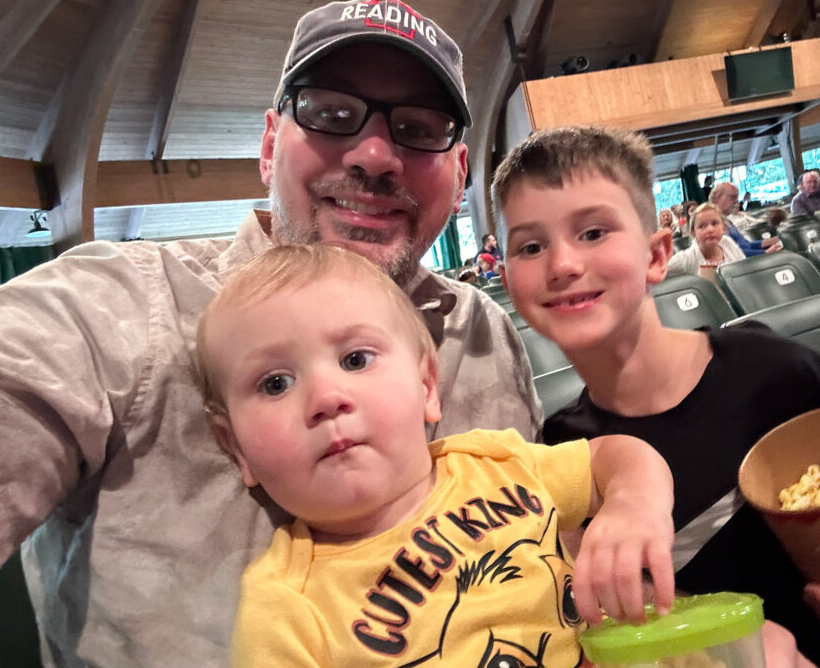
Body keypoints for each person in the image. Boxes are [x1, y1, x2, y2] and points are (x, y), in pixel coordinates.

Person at [0, 0, 543, 667]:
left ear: (458, 177)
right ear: (269, 144)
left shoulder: (479, 330)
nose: (374, 154)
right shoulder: (114, 313)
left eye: (420, 128)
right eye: (332, 115)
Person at [493, 125, 820, 668]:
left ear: (656, 256)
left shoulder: (771, 370)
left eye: (594, 232)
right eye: (531, 246)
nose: (563, 265)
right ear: (508, 279)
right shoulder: (566, 454)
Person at [197, 244, 675, 666]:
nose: (326, 397)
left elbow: (614, 458)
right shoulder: (285, 610)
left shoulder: (494, 463)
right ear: (235, 447)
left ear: (427, 386)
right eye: (275, 384)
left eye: (355, 359)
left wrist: (634, 505)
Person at [665, 202, 744, 281]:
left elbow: (745, 268)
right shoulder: (687, 258)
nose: (710, 230)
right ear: (693, 232)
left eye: (715, 223)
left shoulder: (727, 242)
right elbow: (658, 272)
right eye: (702, 226)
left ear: (724, 227)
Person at [710, 182, 781, 255]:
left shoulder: (726, 221)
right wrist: (765, 253)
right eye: (733, 197)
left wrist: (772, 240)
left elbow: (746, 245)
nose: (736, 201)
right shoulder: (712, 224)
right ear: (718, 197)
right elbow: (734, 254)